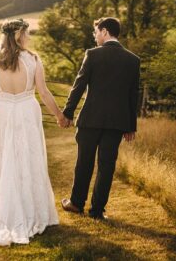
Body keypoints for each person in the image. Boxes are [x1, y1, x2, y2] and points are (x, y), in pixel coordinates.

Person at [0, 18, 66, 245]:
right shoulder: (33, 60)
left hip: (1, 112)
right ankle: (30, 210)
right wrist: (59, 114)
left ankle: (5, 210)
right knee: (27, 158)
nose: (29, 38)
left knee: (3, 160)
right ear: (19, 35)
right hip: (26, 110)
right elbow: (44, 93)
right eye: (27, 34)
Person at [60, 17, 142, 220]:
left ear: (104, 31)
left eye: (96, 32)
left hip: (90, 120)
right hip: (117, 123)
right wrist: (131, 126)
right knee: (107, 166)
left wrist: (68, 113)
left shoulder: (92, 55)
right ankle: (97, 211)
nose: (95, 36)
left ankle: (76, 203)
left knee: (84, 163)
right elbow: (134, 95)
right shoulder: (133, 60)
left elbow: (79, 86)